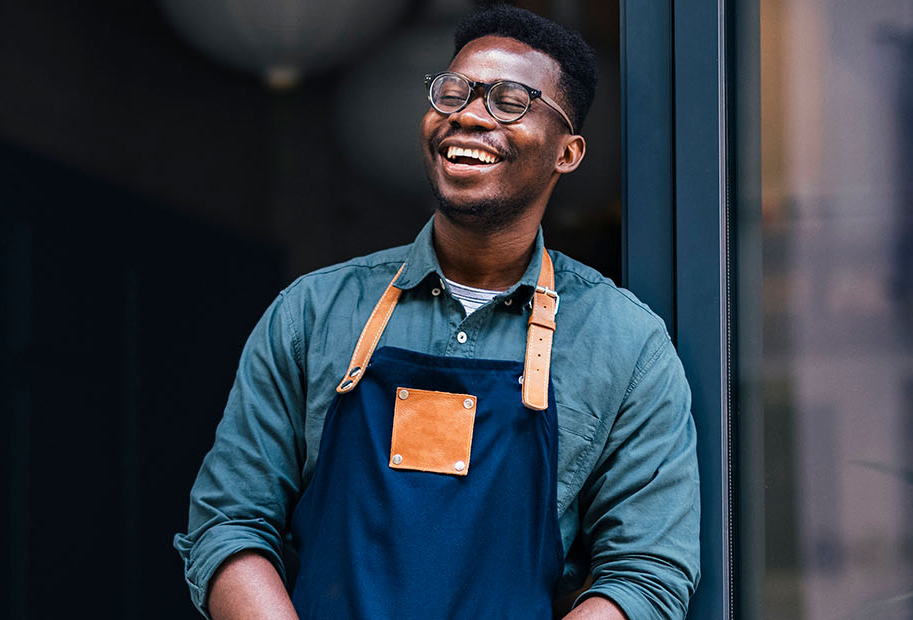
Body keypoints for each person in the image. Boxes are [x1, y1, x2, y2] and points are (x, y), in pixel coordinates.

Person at [174, 4, 700, 619]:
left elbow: (647, 575)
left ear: (568, 152)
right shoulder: (311, 315)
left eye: (510, 101)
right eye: (453, 93)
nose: (470, 115)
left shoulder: (626, 345)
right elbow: (229, 524)